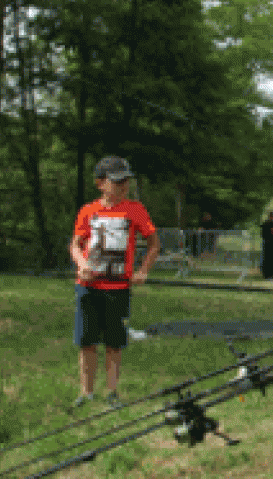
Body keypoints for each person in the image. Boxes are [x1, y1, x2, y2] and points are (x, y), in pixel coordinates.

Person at [68, 155, 160, 409]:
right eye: (117, 181)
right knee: (86, 342)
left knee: (114, 343)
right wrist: (82, 264)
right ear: (100, 183)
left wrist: (143, 271)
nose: (123, 186)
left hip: (118, 289)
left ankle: (111, 392)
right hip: (88, 288)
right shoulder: (88, 211)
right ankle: (86, 393)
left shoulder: (135, 210)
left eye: (126, 181)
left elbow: (154, 245)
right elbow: (76, 246)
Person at [259, 211, 273, 279]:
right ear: (272, 216)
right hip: (271, 244)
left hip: (265, 243)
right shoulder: (271, 223)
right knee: (271, 260)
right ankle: (270, 274)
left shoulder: (265, 223)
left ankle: (265, 274)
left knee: (265, 258)